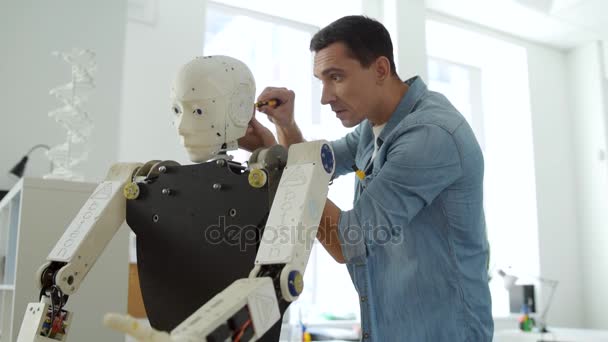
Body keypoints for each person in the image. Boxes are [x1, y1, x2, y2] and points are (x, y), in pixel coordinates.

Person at [239, 15, 493, 341]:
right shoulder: (372, 127)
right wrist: (284, 128)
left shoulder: (430, 135)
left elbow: (349, 240)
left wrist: (273, 158)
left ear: (380, 70)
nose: (325, 97)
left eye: (336, 77)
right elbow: (314, 166)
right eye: (321, 80)